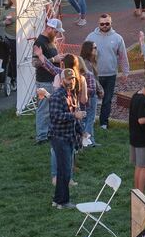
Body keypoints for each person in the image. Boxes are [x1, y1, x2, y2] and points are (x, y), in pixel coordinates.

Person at [38, 69, 84, 209]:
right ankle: (63, 202)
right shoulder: (57, 96)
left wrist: (82, 132)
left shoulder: (72, 94)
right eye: (69, 79)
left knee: (64, 170)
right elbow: (57, 116)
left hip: (68, 136)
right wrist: (74, 116)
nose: (71, 82)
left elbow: (73, 115)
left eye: (73, 79)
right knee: (64, 170)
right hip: (59, 138)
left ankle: (57, 200)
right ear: (62, 79)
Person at [82, 15, 128, 130]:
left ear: (111, 23)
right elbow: (84, 54)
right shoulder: (91, 36)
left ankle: (103, 123)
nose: (104, 26)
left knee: (107, 100)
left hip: (110, 74)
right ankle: (88, 122)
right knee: (90, 99)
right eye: (102, 24)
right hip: (93, 75)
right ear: (98, 24)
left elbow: (123, 56)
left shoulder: (117, 38)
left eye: (107, 23)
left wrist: (125, 71)